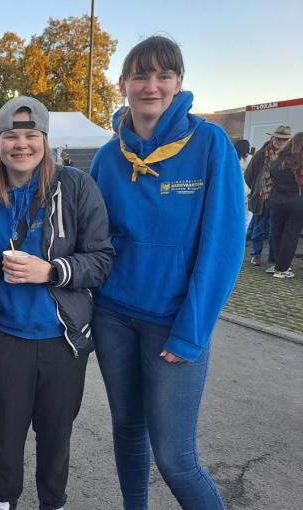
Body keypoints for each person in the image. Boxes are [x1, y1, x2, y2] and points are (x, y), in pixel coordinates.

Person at [90, 36, 244, 509]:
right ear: (123, 85)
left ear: (179, 83)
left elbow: (223, 246)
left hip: (173, 324)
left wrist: (190, 332)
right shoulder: (108, 156)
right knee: (127, 431)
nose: (151, 85)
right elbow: (88, 240)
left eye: (163, 75)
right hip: (113, 319)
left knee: (176, 458)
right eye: (140, 75)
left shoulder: (209, 144)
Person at [0, 96, 114, 510]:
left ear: (45, 141)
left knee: (55, 434)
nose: (21, 145)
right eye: (11, 136)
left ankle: (53, 502)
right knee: (7, 432)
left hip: (63, 337)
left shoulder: (76, 186)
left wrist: (51, 271)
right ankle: (3, 501)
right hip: (6, 334)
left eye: (31, 135)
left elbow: (102, 259)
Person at [244, 125, 291, 267]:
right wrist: (258, 188)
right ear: (272, 137)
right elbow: (249, 174)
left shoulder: (289, 155)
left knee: (275, 230)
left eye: (283, 139)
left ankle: (273, 257)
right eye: (277, 138)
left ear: (287, 141)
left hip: (279, 198)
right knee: (258, 228)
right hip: (262, 196)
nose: (279, 141)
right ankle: (255, 255)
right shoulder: (261, 153)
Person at [268, 132, 303, 278]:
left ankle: (277, 264)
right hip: (297, 202)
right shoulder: (300, 162)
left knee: (277, 233)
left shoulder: (277, 160)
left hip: (276, 200)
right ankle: (282, 269)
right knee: (291, 235)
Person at [235, 139, 253, 232]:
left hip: (236, 186)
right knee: (248, 214)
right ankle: (243, 232)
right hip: (248, 187)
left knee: (236, 212)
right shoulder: (251, 158)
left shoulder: (233, 158)